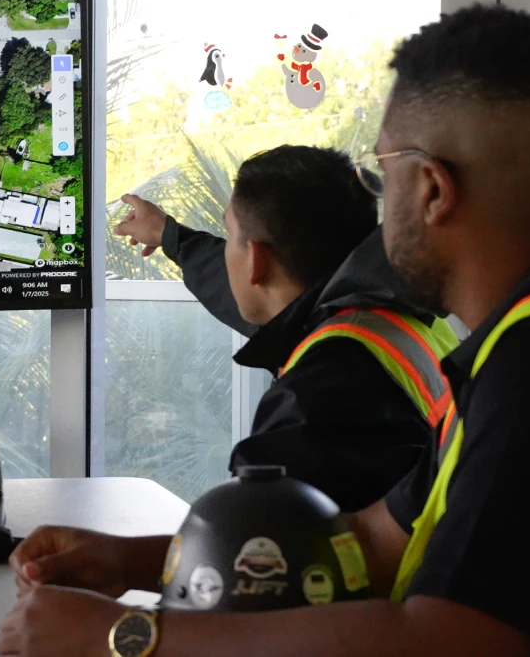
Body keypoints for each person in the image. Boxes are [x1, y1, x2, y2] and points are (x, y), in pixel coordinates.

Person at [0, 5, 530, 657]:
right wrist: (128, 561)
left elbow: (448, 643)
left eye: (383, 173)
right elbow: (368, 543)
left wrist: (130, 637)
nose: (378, 208)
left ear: (433, 187)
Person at [113, 147, 457, 512]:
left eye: (230, 234)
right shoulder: (387, 315)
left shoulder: (319, 399)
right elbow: (249, 288)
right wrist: (171, 237)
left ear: (257, 260)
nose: (228, 254)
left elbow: (257, 551)